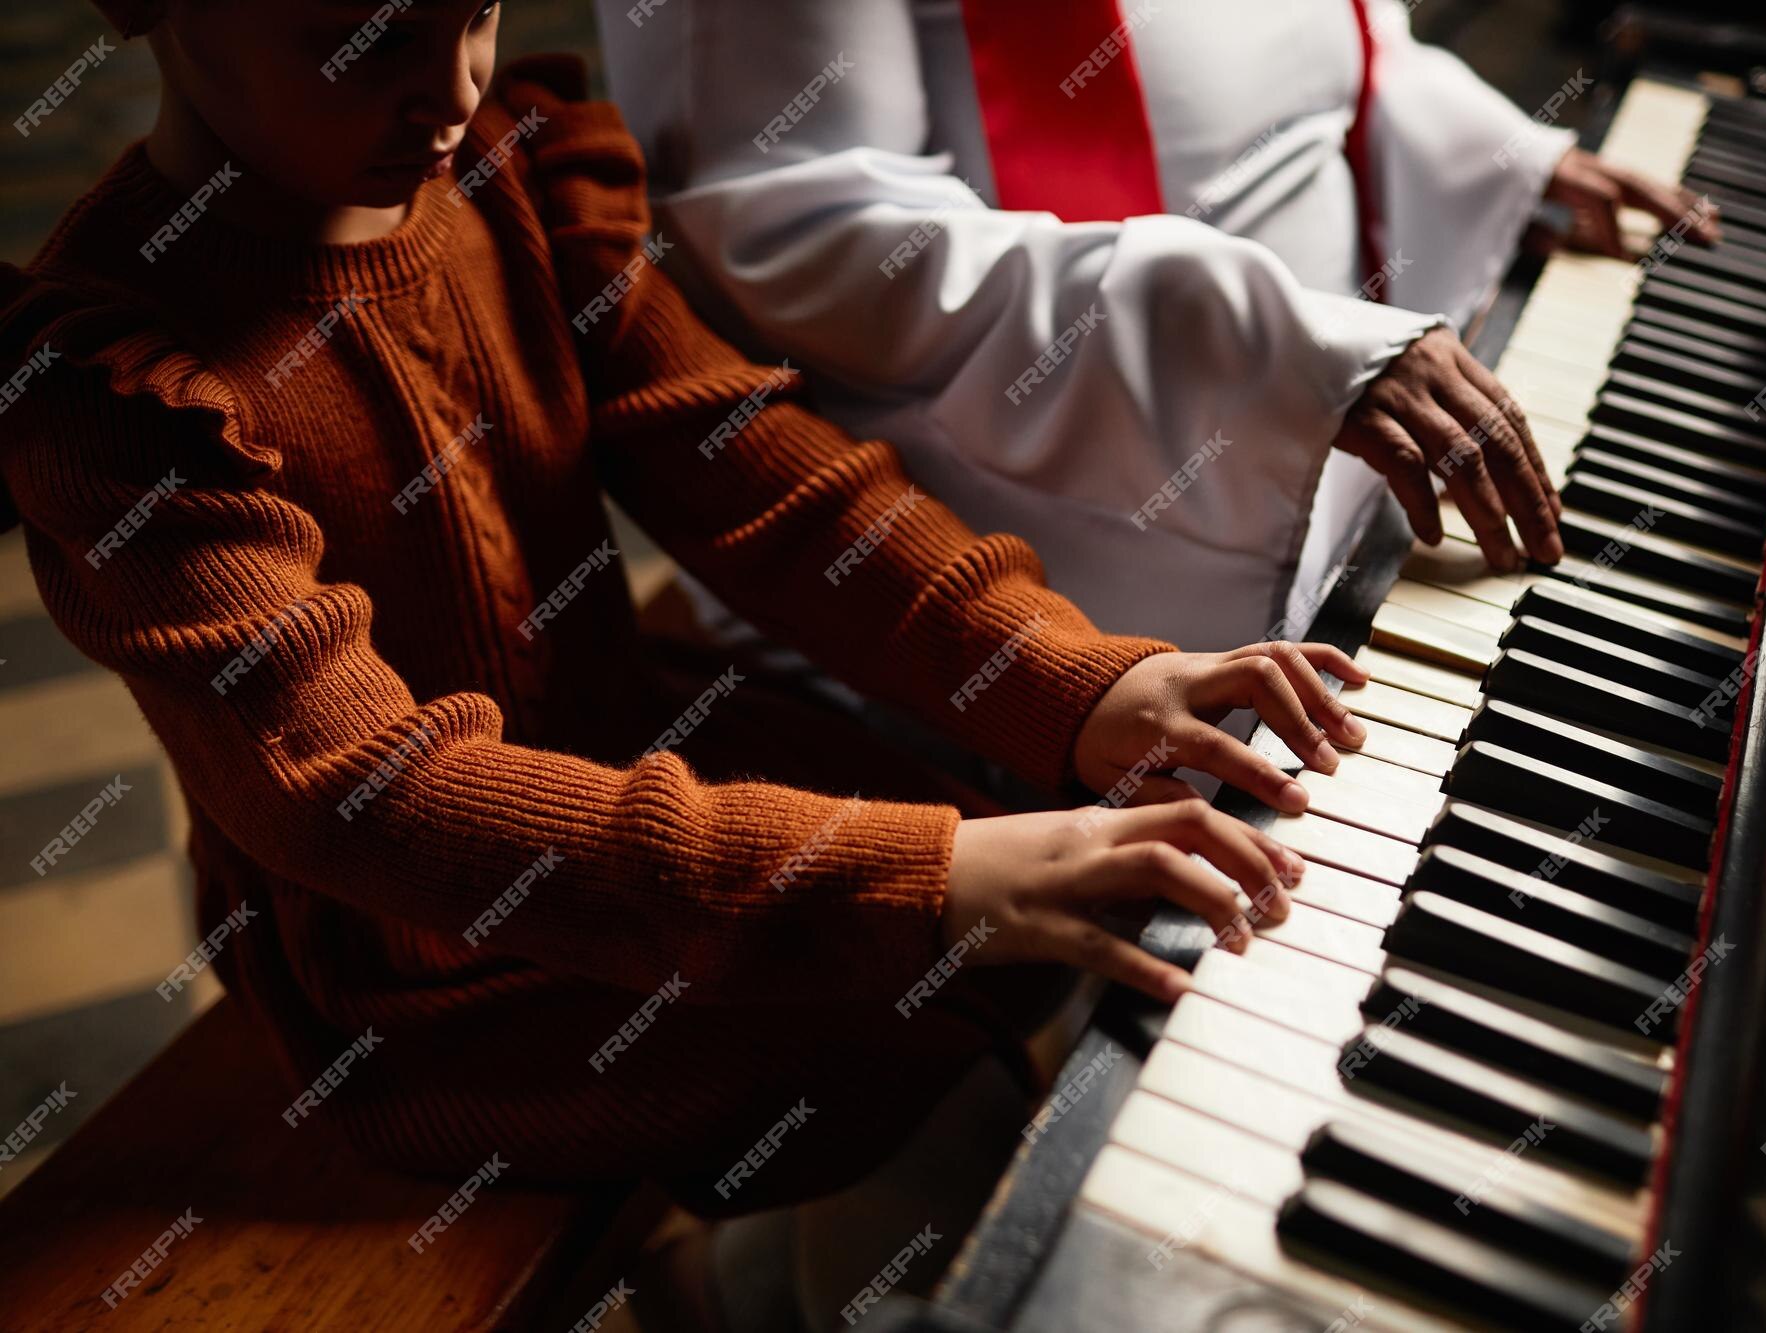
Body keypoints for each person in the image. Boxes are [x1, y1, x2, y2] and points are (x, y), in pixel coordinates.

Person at [0, 0, 1373, 1211]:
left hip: (638, 769)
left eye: (469, 13)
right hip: (431, 970)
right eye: (362, 38)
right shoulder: (114, 384)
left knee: (1038, 939)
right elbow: (370, 795)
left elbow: (766, 489)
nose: (451, 87)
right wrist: (929, 880)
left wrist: (1078, 682)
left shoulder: (505, 178)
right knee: (924, 1055)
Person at [598, 0, 1719, 650]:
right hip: (1031, 557)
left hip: (1367, 442)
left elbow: (1314, 75)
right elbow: (794, 238)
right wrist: (1254, 351)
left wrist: (1499, 160)